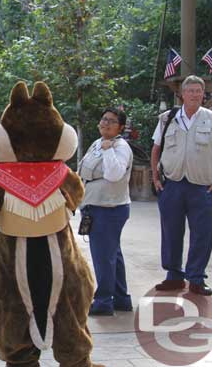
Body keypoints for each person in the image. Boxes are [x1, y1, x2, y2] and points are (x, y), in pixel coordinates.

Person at [151, 75, 212, 296]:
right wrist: (156, 180)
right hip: (173, 185)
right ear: (182, 94)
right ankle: (174, 276)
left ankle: (196, 278)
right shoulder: (167, 118)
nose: (194, 94)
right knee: (171, 233)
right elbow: (156, 149)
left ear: (203, 94)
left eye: (198, 91)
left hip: (202, 187)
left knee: (202, 234)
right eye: (190, 90)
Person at [78, 108, 133, 316]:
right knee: (112, 255)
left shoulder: (120, 147)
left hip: (109, 209)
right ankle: (121, 299)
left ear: (120, 127)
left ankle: (103, 301)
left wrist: (109, 149)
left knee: (103, 257)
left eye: (112, 121)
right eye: (104, 119)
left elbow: (114, 174)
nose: (106, 123)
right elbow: (83, 170)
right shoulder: (96, 143)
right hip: (94, 205)